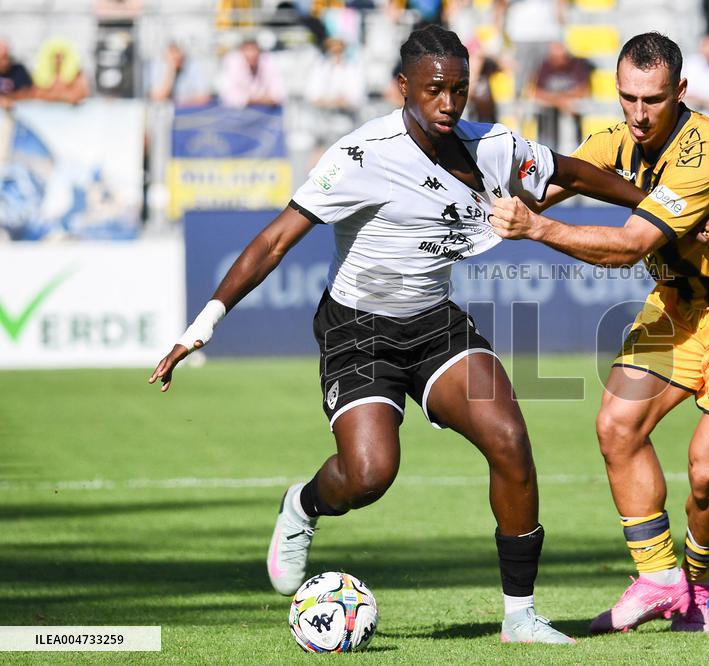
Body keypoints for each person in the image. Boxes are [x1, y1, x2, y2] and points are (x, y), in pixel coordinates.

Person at [149, 24, 648, 645]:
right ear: (402, 86)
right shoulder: (361, 156)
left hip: (434, 322)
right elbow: (275, 241)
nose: (448, 104)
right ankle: (302, 507)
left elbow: (570, 170)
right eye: (435, 89)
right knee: (369, 475)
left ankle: (520, 618)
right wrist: (204, 324)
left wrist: (656, 208)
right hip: (357, 332)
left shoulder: (489, 145)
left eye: (460, 90)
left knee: (510, 440)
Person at [491, 31, 709, 635]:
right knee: (616, 425)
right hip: (681, 305)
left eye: (653, 100)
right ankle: (660, 579)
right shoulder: (616, 138)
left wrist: (536, 229)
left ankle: (696, 586)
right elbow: (555, 183)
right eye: (627, 97)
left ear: (680, 91)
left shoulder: (702, 153)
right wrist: (479, 204)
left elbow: (629, 247)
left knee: (708, 470)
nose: (638, 114)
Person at [531, 40, 592, 152]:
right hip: (554, 108)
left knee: (576, 108)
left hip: (570, 107)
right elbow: (536, 93)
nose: (560, 61)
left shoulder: (576, 64)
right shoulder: (545, 65)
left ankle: (575, 149)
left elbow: (584, 90)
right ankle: (548, 149)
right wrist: (560, 101)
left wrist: (558, 99)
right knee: (543, 111)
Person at [218, 38, 286, 108]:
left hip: (266, 111)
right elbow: (228, 95)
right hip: (239, 112)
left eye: (254, 50)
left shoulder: (268, 61)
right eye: (248, 50)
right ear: (241, 52)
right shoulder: (232, 62)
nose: (252, 54)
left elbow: (279, 91)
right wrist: (257, 99)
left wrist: (250, 99)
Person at [148, 42, 213, 107]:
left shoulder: (194, 64)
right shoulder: (158, 64)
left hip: (189, 113)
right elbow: (158, 97)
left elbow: (204, 97)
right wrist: (171, 68)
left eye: (178, 51)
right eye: (172, 52)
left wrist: (180, 101)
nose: (176, 56)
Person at [32, 38, 89, 104]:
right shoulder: (41, 76)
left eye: (62, 56)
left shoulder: (77, 74)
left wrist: (55, 96)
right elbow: (37, 94)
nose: (59, 60)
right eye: (56, 57)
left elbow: (80, 94)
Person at [0, 40, 33, 110]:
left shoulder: (19, 69)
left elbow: (29, 91)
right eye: (2, 57)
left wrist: (9, 98)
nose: (5, 61)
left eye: (6, 56)